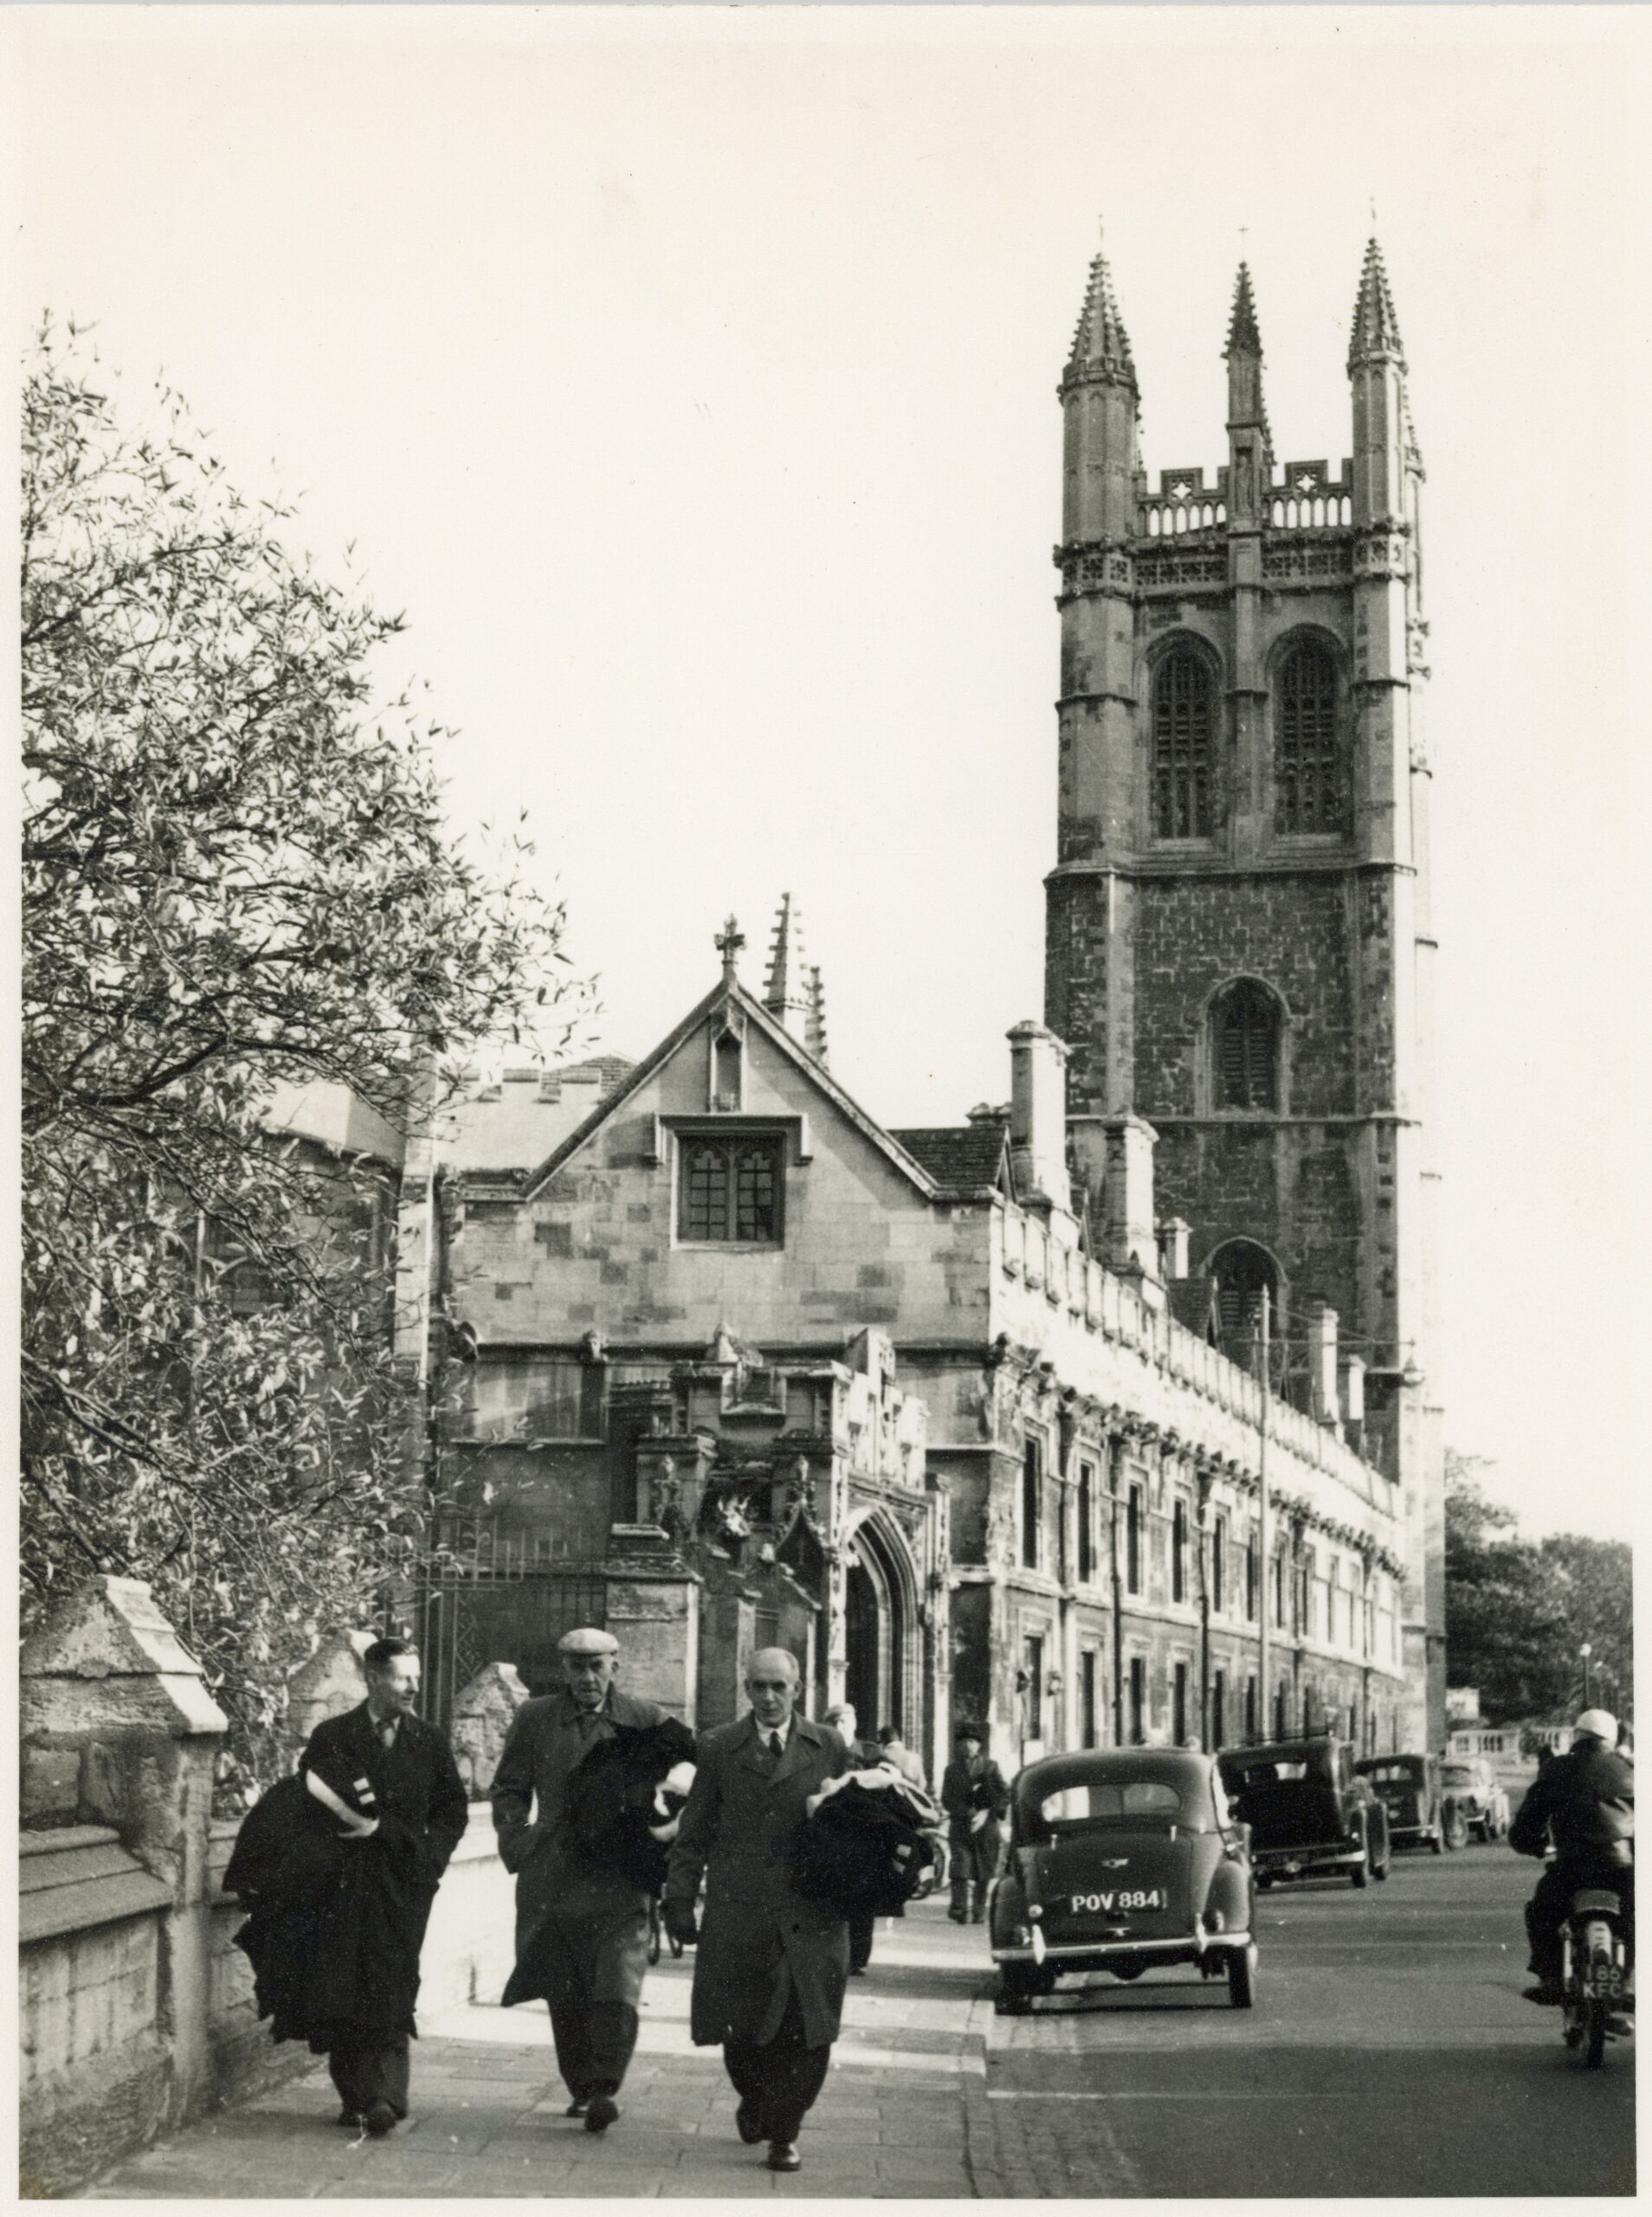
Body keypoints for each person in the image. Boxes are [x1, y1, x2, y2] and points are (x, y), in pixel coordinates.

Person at [663, 1649, 851, 2175]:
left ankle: (785, 2132)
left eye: (779, 1687)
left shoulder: (830, 1745)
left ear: (798, 1689)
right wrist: (678, 1898)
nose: (768, 1698)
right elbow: (694, 1830)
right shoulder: (720, 1747)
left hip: (812, 1911)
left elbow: (855, 1820)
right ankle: (756, 2097)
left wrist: (863, 1890)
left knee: (808, 2025)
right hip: (740, 1910)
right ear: (746, 1689)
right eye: (758, 1687)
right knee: (741, 2029)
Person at [491, 1626, 668, 2133]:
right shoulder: (535, 1718)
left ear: (617, 1665)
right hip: (554, 1876)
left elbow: (681, 1782)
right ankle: (583, 2086)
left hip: (619, 1878)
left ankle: (605, 2086)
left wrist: (656, 1841)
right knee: (564, 1988)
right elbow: (508, 1789)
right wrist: (520, 1843)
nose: (587, 1677)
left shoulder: (646, 1719)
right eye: (577, 1667)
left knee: (618, 1979)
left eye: (597, 1666)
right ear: (563, 1670)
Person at [291, 1638, 468, 2136]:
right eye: (401, 1677)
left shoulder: (429, 1741)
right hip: (343, 1884)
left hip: (405, 1882)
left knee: (394, 1978)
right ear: (372, 1679)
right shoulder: (333, 1737)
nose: (414, 1686)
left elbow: (452, 1811)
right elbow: (306, 1804)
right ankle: (359, 2095)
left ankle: (387, 2095)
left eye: (416, 1676)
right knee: (345, 1981)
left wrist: (430, 1861)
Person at [1510, 1706, 1634, 2006]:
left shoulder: (1557, 1769)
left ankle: (1551, 1977)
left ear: (1577, 1736)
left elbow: (1529, 1819)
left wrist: (1532, 1844)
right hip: (1620, 1868)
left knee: (1541, 1912)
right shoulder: (1630, 1771)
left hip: (1572, 1867)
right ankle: (1627, 1979)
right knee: (1636, 1918)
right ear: (1611, 1740)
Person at [823, 1703, 879, 1974]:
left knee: (861, 1899)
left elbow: (886, 1782)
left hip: (863, 1833)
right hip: (829, 1832)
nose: (840, 1727)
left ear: (854, 1724)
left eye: (845, 1722)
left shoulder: (869, 1753)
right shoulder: (819, 1752)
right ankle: (830, 1954)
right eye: (834, 1723)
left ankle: (857, 1958)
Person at [941, 1722, 1009, 1924]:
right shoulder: (951, 1770)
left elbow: (1005, 1794)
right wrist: (966, 1811)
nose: (969, 1746)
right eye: (964, 1742)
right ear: (958, 1745)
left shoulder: (991, 1766)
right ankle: (960, 1909)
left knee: (984, 1870)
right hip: (961, 1826)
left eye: (973, 1742)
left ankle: (979, 1911)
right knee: (960, 1869)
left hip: (987, 1827)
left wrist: (987, 1811)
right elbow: (947, 1798)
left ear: (979, 1745)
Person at [875, 1723, 926, 1792]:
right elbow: (922, 1784)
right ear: (897, 1738)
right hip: (913, 1799)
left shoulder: (882, 1756)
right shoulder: (916, 1757)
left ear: (883, 1741)